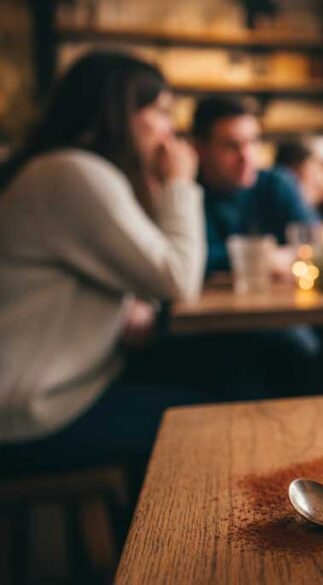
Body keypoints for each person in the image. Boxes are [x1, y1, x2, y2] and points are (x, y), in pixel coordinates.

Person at [0, 51, 222, 473]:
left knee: (221, 378)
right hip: (32, 410)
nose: (169, 128)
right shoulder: (72, 174)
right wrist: (178, 181)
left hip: (54, 392)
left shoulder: (65, 170)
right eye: (159, 111)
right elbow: (177, 278)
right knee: (214, 417)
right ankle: (155, 539)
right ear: (120, 112)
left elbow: (143, 270)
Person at [192, 96, 317, 274]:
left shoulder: (277, 184)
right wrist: (264, 256)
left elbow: (314, 244)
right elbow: (195, 260)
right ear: (201, 149)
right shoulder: (188, 194)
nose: (246, 156)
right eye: (231, 146)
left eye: (253, 142)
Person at [275, 139, 323, 224]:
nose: (316, 175)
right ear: (296, 169)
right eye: (311, 167)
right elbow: (311, 227)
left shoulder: (316, 199)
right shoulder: (282, 183)